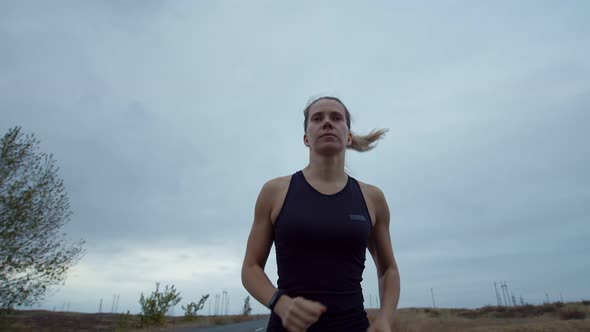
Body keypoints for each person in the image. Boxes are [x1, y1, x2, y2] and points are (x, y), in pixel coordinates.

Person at [241, 96, 400, 331]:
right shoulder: (275, 192)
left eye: (336, 118)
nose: (327, 122)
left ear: (348, 136)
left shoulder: (372, 198)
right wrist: (280, 303)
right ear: (306, 137)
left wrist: (385, 318)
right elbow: (251, 268)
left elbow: (388, 270)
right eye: (317, 118)